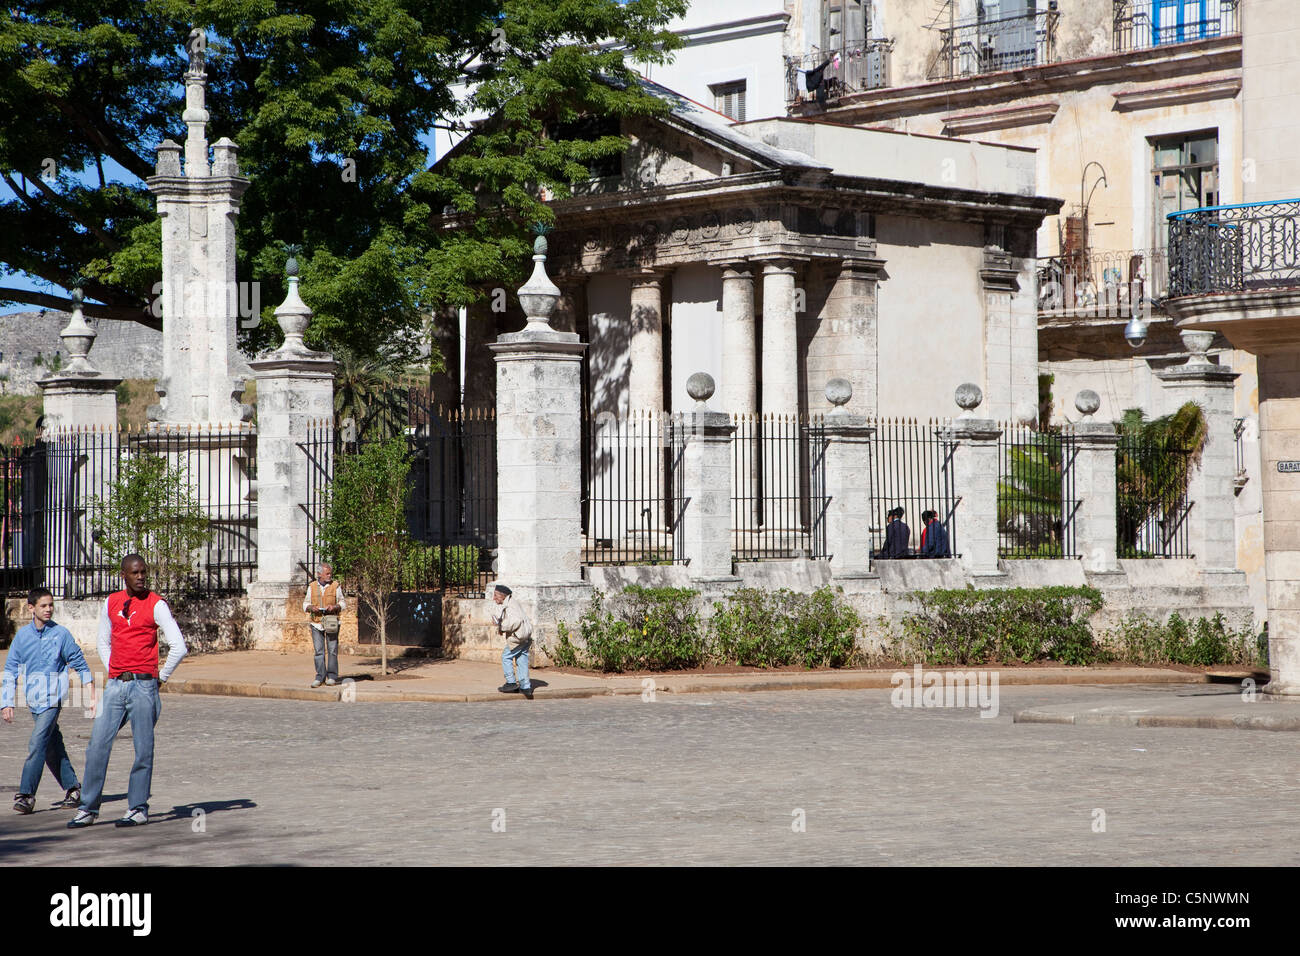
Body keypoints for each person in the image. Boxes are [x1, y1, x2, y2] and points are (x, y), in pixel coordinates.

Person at [68, 554, 188, 829]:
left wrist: (160, 677)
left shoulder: (156, 604)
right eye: (135, 572)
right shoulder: (111, 602)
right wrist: (116, 669)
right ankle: (87, 808)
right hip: (116, 685)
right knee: (97, 745)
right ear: (124, 574)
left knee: (143, 749)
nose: (141, 576)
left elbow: (179, 646)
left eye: (144, 572)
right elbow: (102, 641)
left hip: (145, 685)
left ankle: (137, 808)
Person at [2, 588, 95, 813]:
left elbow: (79, 663)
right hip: (34, 700)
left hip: (53, 699)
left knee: (37, 744)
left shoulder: (61, 634)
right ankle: (74, 789)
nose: (49, 609)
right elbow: (10, 669)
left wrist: (92, 694)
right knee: (52, 746)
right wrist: (7, 702)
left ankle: (26, 795)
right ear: (31, 608)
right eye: (44, 605)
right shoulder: (22, 637)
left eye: (51, 605)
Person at [303, 563, 345, 688]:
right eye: (327, 573)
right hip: (316, 623)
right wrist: (312, 608)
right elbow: (305, 604)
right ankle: (320, 676)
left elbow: (342, 603)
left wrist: (334, 607)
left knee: (332, 650)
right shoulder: (312, 587)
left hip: (331, 621)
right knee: (319, 651)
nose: (329, 575)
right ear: (319, 574)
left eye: (330, 573)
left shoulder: (335, 586)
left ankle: (332, 676)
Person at [490, 585, 534, 700]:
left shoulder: (510, 606)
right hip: (525, 636)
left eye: (495, 595)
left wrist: (501, 625)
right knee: (521, 658)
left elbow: (516, 620)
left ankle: (511, 683)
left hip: (518, 637)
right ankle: (525, 687)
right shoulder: (511, 603)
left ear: (502, 595)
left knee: (506, 656)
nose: (494, 598)